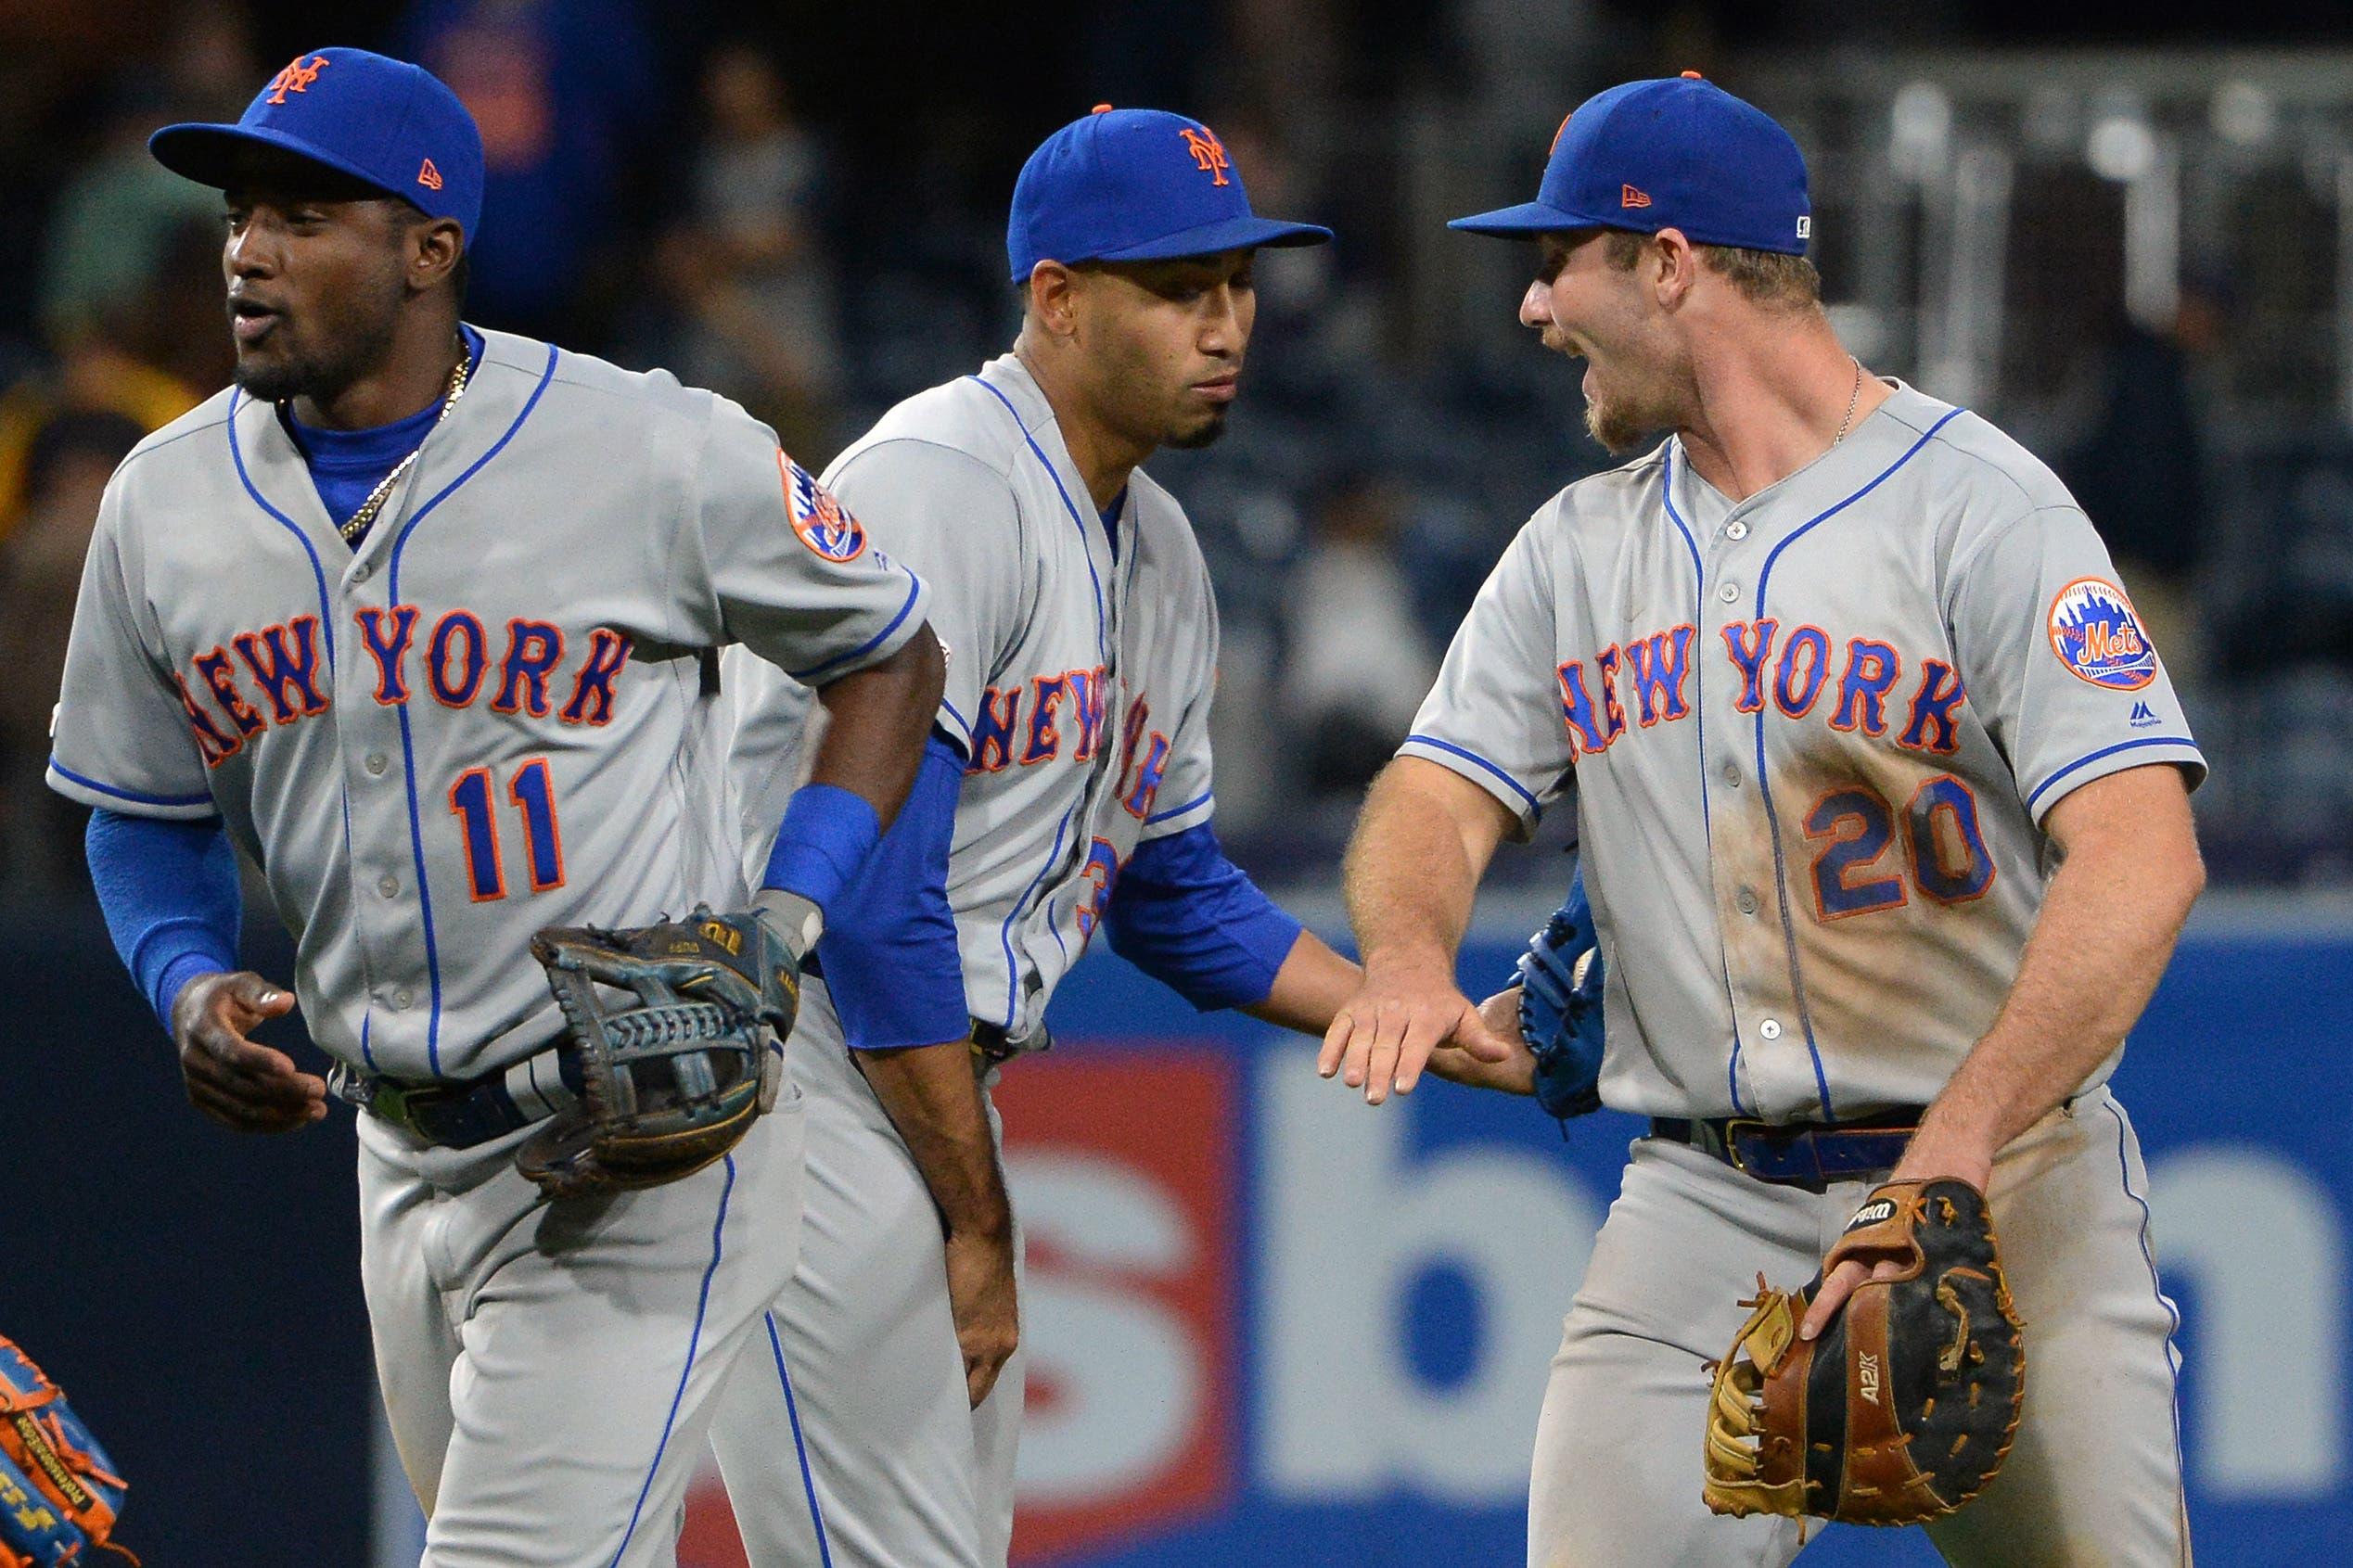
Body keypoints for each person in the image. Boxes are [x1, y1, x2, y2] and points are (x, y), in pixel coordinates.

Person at [45, 48, 945, 1566]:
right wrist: (184, 979)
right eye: (240, 211)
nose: (248, 251)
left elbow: (888, 648)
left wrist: (784, 922)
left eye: (306, 212)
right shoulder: (166, 500)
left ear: (429, 248)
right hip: (394, 1157)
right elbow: (140, 809)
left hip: (643, 1142)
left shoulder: (647, 445)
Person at [1318, 75, 2205, 1566]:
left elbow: (2143, 852)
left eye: (1558, 260)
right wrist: (1406, 958)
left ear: (1667, 263)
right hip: (1702, 1202)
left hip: (2004, 1188)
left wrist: (1956, 1153)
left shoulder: (1979, 510)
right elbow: (1430, 792)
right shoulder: (1575, 549)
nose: (1534, 308)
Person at [707, 106, 1377, 1568]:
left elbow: (1173, 891)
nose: (1225, 325)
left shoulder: (1165, 551)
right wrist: (979, 1222)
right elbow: (875, 901)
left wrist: (1415, 1018)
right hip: (800, 1065)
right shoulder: (946, 481)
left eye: (1238, 285)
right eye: (1176, 288)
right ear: (1056, 299)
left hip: (913, 1080)